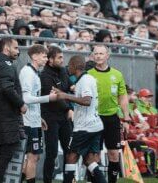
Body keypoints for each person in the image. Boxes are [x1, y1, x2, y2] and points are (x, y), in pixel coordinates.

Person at [21, 44, 67, 183]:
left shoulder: (35, 73)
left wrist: (38, 117)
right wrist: (49, 98)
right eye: (44, 56)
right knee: (33, 157)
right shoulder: (28, 72)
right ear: (34, 56)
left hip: (34, 120)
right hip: (28, 122)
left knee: (35, 157)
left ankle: (18, 178)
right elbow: (26, 98)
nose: (46, 59)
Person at [85, 44, 131, 183]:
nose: (98, 56)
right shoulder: (88, 75)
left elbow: (122, 96)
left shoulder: (117, 74)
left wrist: (126, 117)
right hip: (94, 118)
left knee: (114, 154)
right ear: (93, 56)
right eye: (96, 53)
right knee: (94, 155)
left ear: (107, 56)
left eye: (101, 53)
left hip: (112, 119)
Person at [0, 37, 25, 183]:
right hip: (6, 116)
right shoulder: (5, 64)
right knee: (7, 152)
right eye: (15, 48)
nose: (18, 51)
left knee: (0, 152)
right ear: (7, 48)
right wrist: (21, 103)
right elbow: (7, 88)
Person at [64, 56, 105, 183]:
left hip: (84, 127)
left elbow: (87, 100)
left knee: (71, 157)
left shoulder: (85, 81)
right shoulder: (86, 79)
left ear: (75, 66)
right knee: (88, 160)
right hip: (94, 125)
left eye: (69, 64)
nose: (68, 67)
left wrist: (65, 96)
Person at [39, 46, 74, 183]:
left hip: (64, 118)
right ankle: (47, 180)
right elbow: (56, 97)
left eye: (62, 57)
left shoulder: (64, 71)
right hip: (51, 118)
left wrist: (78, 88)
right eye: (59, 57)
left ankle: (68, 180)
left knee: (69, 150)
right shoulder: (45, 76)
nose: (62, 59)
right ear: (50, 59)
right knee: (52, 152)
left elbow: (70, 86)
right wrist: (68, 109)